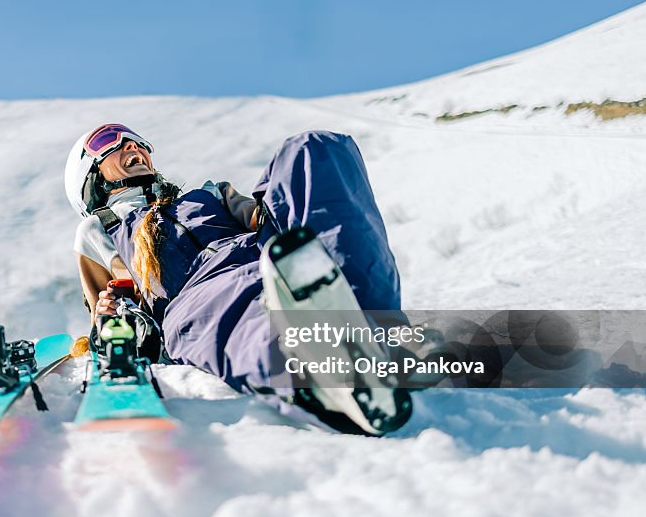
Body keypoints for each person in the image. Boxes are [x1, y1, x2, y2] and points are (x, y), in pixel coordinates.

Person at [65, 123, 412, 435]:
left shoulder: (210, 194)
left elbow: (266, 215)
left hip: (272, 262)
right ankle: (323, 378)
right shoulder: (99, 232)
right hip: (198, 295)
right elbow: (108, 322)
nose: (132, 146)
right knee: (243, 322)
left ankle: (356, 316)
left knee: (313, 148)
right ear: (88, 174)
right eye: (111, 141)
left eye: (139, 142)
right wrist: (110, 316)